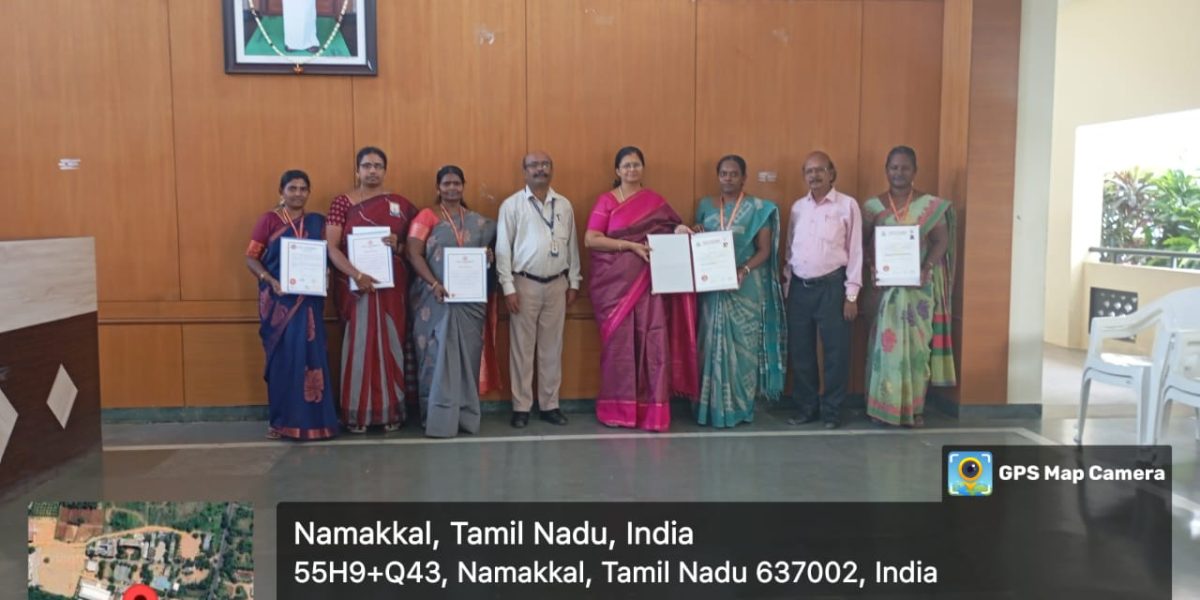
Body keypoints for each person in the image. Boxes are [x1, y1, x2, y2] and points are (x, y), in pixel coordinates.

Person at [584, 146, 698, 431]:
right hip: (613, 290)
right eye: (626, 165)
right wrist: (630, 246)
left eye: (636, 165)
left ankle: (651, 412)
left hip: (649, 286)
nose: (631, 170)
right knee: (619, 348)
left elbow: (671, 228)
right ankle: (617, 410)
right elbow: (591, 239)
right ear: (617, 170)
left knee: (652, 343)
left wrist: (680, 230)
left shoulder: (654, 202)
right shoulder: (607, 201)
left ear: (642, 168)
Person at [326, 146, 419, 433]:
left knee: (391, 343)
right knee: (359, 346)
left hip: (392, 290)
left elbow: (416, 249)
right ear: (357, 170)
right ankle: (357, 414)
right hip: (356, 289)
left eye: (378, 166)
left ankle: (392, 411)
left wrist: (398, 245)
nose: (372, 171)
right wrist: (357, 274)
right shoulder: (342, 203)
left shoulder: (401, 205)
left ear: (385, 170)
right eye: (366, 165)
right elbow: (331, 248)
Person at [863, 145, 956, 427]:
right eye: (894, 167)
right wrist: (872, 266)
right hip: (886, 293)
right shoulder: (873, 207)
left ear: (915, 171)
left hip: (918, 292)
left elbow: (941, 240)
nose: (899, 173)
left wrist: (927, 267)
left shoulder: (930, 206)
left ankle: (914, 410)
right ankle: (883, 409)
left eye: (905, 168)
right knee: (886, 350)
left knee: (917, 352)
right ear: (886, 170)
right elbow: (861, 243)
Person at [690, 155, 786, 428]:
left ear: (744, 177)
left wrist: (743, 269)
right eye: (724, 173)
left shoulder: (758, 208)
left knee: (744, 349)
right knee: (709, 346)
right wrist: (696, 231)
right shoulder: (705, 206)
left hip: (744, 288)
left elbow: (764, 251)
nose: (728, 178)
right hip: (712, 290)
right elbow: (699, 242)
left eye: (734, 174)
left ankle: (740, 408)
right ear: (718, 176)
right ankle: (708, 409)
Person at [243, 169, 339, 440]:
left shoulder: (317, 222)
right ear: (281, 192)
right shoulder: (269, 220)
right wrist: (269, 280)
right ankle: (281, 422)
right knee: (284, 361)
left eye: (303, 189)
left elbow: (328, 254)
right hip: (279, 302)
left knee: (311, 357)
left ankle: (317, 423)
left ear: (309, 192)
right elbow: (251, 258)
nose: (298, 194)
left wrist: (327, 272)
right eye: (292, 189)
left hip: (309, 302)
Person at [406, 166, 498, 438]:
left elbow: (487, 251)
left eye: (457, 183)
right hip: (434, 300)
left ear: (463, 186)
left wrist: (487, 257)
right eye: (446, 184)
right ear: (438, 188)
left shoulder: (476, 221)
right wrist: (433, 283)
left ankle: (464, 418)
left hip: (469, 303)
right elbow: (413, 253)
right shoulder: (427, 216)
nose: (452, 188)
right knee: (435, 358)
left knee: (467, 358)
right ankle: (435, 419)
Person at [495, 151, 581, 428]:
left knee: (552, 349)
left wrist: (574, 281)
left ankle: (549, 405)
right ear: (524, 172)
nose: (540, 169)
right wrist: (507, 287)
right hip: (524, 284)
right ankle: (521, 407)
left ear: (551, 169)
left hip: (557, 284)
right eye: (534, 165)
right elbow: (502, 249)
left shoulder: (564, 205)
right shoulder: (512, 206)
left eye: (545, 164)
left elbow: (572, 245)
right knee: (522, 349)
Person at [783, 151, 862, 430]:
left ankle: (832, 411)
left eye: (820, 170)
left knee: (836, 353)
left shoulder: (847, 205)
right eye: (809, 171)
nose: (814, 175)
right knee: (801, 352)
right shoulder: (797, 208)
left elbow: (856, 252)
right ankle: (807, 408)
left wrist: (851, 295)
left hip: (833, 287)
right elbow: (790, 250)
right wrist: (787, 288)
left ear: (832, 173)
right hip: (800, 289)